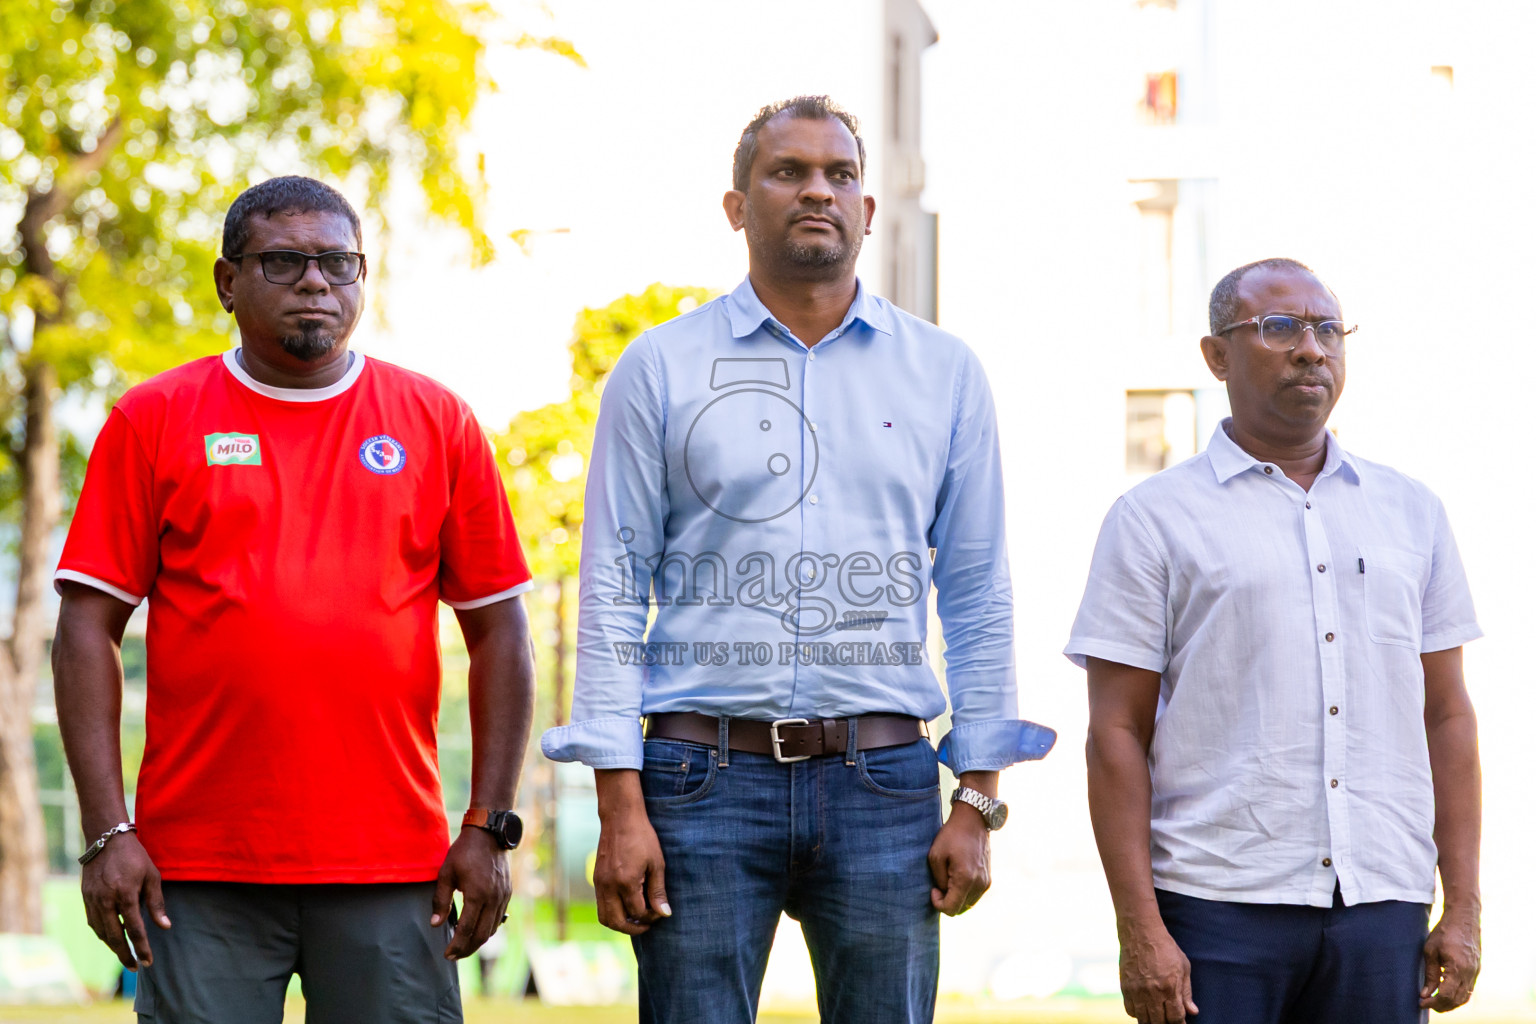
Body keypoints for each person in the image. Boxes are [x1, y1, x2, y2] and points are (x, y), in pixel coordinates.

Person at [541, 95, 1054, 1024]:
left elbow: (978, 593)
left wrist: (978, 798)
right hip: (698, 783)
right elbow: (613, 591)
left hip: (885, 785)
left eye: (840, 174)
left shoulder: (944, 374)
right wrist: (620, 803)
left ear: (867, 209)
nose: (818, 190)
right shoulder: (660, 369)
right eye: (789, 172)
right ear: (737, 206)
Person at [51, 176, 537, 1024]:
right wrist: (106, 831)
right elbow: (86, 628)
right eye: (283, 261)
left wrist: (488, 824)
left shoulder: (438, 421)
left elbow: (499, 631)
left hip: (394, 866)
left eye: (338, 262)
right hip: (200, 868)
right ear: (227, 281)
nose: (316, 281)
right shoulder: (153, 418)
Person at [1066, 257, 1482, 1024]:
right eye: (1280, 327)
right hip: (1214, 906)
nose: (1311, 349)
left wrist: (1463, 906)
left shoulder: (1412, 512)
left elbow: (1447, 714)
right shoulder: (1153, 518)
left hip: (1382, 904)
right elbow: (1115, 732)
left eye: (1329, 330)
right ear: (1216, 356)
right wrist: (1140, 930)